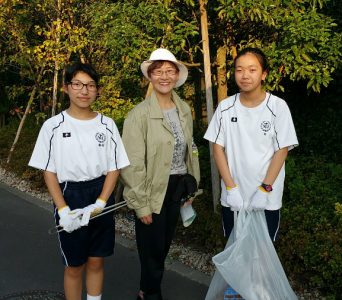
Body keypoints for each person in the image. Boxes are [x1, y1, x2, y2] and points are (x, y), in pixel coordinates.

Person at [28, 62, 130, 300]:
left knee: (96, 260)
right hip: (69, 194)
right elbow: (49, 171)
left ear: (97, 90)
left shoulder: (107, 124)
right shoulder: (52, 126)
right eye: (78, 84)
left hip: (99, 192)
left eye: (90, 85)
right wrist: (63, 209)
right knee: (74, 265)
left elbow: (114, 168)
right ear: (66, 88)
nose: (84, 90)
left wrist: (102, 202)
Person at [120, 48, 200, 300]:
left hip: (177, 187)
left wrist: (192, 185)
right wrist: (140, 204)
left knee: (163, 246)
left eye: (169, 71)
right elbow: (132, 164)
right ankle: (150, 294)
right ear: (150, 76)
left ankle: (147, 290)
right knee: (151, 249)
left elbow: (190, 148)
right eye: (158, 72)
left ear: (177, 75)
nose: (164, 76)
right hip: (151, 189)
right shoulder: (139, 114)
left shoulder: (184, 109)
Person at [204, 47, 298, 241]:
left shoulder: (277, 107)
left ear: (263, 74)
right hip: (234, 199)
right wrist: (231, 188)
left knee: (263, 256)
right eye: (239, 70)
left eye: (252, 70)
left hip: (266, 200)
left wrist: (265, 189)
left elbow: (282, 150)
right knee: (234, 253)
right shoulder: (225, 107)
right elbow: (217, 148)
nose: (245, 75)